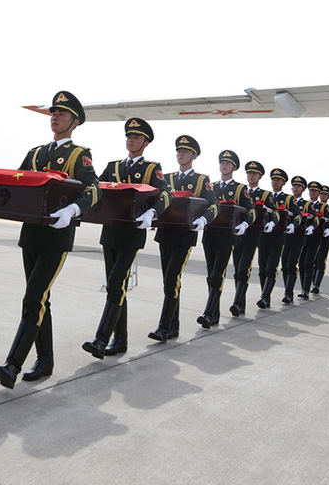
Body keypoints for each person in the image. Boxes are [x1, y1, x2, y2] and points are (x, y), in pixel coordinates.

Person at [0, 91, 100, 389]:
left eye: (62, 113)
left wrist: (73, 209)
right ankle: (45, 360)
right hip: (31, 233)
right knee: (40, 299)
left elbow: (93, 189)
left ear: (75, 122)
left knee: (34, 298)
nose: (55, 117)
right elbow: (18, 182)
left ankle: (12, 364)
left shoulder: (79, 155)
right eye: (53, 112)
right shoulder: (36, 153)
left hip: (57, 236)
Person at [82, 118, 171, 360]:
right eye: (129, 136)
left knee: (115, 283)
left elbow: (166, 194)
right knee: (116, 286)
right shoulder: (113, 166)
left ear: (146, 142)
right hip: (110, 232)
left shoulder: (151, 169)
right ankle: (120, 340)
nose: (131, 140)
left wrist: (152, 213)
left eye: (136, 137)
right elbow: (97, 187)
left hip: (132, 234)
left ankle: (101, 340)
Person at [148, 135, 218, 343]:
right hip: (165, 234)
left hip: (184, 236)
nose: (180, 154)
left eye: (185, 151)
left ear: (194, 156)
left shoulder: (201, 180)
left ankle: (163, 327)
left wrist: (204, 220)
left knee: (172, 280)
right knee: (168, 281)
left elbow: (214, 204)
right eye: (178, 151)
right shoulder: (166, 178)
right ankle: (173, 327)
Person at [192, 150, 256, 328]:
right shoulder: (211, 186)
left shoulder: (239, 188)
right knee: (210, 275)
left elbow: (251, 210)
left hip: (227, 236)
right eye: (222, 162)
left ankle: (208, 313)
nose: (224, 166)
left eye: (227, 163)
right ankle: (215, 314)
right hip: (210, 235)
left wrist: (245, 224)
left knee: (217, 274)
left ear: (234, 167)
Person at [228, 161, 279, 316]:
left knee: (244, 268)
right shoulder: (240, 190)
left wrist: (272, 222)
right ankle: (240, 303)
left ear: (260, 177)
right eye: (249, 173)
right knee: (237, 269)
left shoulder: (265, 195)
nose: (251, 176)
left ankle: (237, 303)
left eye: (254, 174)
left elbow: (275, 212)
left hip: (252, 235)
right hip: (237, 234)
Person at [256, 168, 302, 308]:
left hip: (278, 236)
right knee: (262, 268)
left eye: (278, 180)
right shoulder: (265, 195)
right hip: (263, 235)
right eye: (273, 179)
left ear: (284, 183)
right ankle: (265, 295)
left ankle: (265, 297)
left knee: (271, 267)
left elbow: (298, 215)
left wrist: (293, 225)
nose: (275, 182)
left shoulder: (288, 199)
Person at [280, 176, 316, 303]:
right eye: (294, 186)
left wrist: (311, 226)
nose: (296, 188)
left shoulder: (307, 204)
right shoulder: (287, 200)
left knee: (291, 264)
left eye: (299, 186)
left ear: (303, 189)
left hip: (298, 237)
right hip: (285, 237)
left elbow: (315, 218)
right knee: (284, 265)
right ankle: (287, 289)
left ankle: (289, 293)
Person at [298, 181, 329, 299]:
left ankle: (307, 289)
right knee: (301, 263)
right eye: (311, 191)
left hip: (316, 238)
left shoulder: (323, 207)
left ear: (319, 193)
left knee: (309, 262)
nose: (312, 193)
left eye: (315, 191)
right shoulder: (305, 204)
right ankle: (303, 287)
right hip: (303, 236)